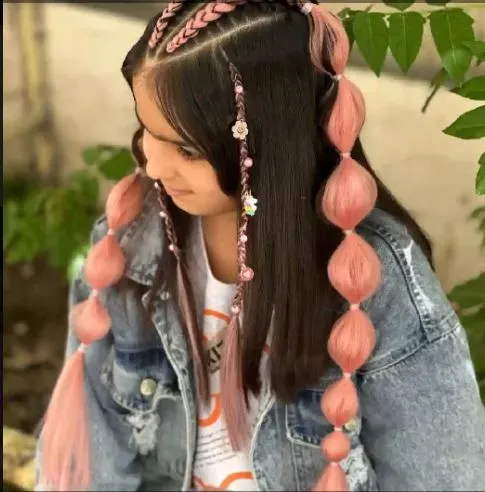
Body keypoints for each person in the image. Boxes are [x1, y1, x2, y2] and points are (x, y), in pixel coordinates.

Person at [35, 1, 485, 491]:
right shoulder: (128, 244)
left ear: (271, 145)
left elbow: (443, 477)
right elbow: (88, 458)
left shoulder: (376, 282)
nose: (155, 166)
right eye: (147, 129)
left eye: (185, 149)